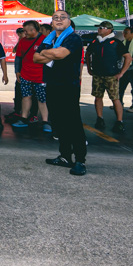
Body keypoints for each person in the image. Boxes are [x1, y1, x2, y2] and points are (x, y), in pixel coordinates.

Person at [36, 10, 88, 175]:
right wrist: (51, 54)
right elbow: (35, 58)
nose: (59, 20)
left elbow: (59, 54)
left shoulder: (73, 38)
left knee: (73, 123)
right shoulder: (49, 39)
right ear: (52, 22)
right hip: (52, 84)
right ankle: (65, 156)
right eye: (55, 18)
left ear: (69, 21)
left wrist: (46, 53)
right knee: (58, 123)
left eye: (62, 17)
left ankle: (80, 160)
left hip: (68, 86)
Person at [86, 21, 128, 133]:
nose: (99, 30)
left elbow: (128, 57)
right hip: (98, 74)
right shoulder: (95, 42)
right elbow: (87, 53)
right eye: (99, 28)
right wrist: (89, 68)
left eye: (101, 28)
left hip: (111, 75)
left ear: (109, 30)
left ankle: (119, 121)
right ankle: (100, 118)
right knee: (98, 97)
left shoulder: (116, 43)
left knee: (115, 98)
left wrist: (121, 72)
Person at [13, 21, 48, 131]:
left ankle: (46, 121)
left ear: (33, 30)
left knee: (42, 99)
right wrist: (17, 71)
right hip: (25, 74)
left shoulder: (45, 40)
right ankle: (23, 118)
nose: (24, 33)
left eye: (26, 31)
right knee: (26, 96)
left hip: (41, 76)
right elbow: (18, 57)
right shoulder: (23, 41)